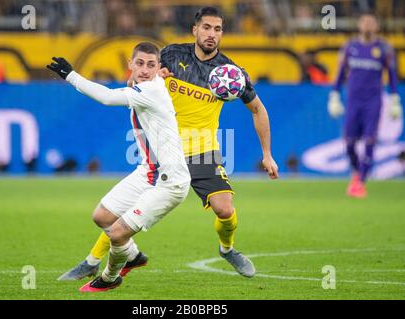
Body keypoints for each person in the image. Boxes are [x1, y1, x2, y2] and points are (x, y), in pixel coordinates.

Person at [59, 6, 278, 281]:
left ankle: (227, 249)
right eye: (207, 27)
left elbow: (258, 110)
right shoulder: (172, 56)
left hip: (203, 150)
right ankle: (92, 260)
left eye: (218, 29)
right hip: (166, 150)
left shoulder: (230, 73)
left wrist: (267, 155)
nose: (212, 34)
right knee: (127, 213)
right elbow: (138, 80)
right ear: (195, 29)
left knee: (225, 209)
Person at [47, 42, 191, 291]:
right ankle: (134, 256)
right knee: (101, 216)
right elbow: (135, 87)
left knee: (116, 234)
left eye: (151, 65)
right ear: (130, 64)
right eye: (140, 63)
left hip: (170, 182)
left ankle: (109, 278)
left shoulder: (150, 91)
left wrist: (70, 75)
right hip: (149, 173)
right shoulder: (146, 85)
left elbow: (106, 98)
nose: (145, 69)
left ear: (159, 68)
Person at [328, 13, 403, 198]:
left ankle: (360, 182)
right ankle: (356, 172)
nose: (368, 25)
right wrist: (334, 95)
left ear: (376, 26)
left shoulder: (384, 49)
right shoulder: (350, 47)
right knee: (349, 142)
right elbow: (340, 73)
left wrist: (395, 99)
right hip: (353, 101)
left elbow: (392, 76)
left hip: (373, 102)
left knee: (370, 140)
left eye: (371, 22)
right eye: (365, 22)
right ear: (359, 25)